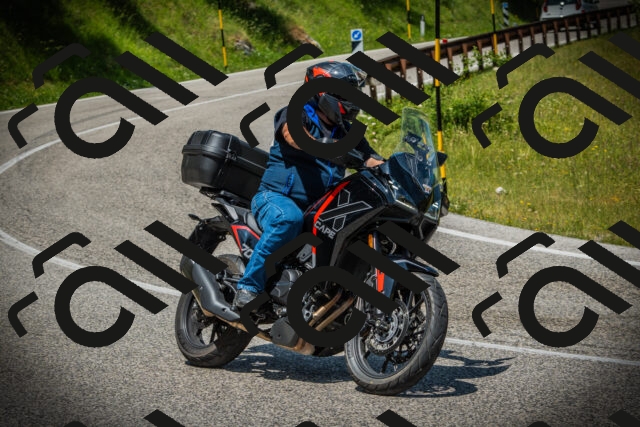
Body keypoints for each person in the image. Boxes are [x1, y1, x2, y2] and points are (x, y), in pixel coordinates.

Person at [232, 61, 385, 310]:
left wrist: (397, 169)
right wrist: (323, 145)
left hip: (319, 207)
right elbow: (293, 135)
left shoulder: (347, 132)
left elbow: (371, 159)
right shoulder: (297, 113)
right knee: (288, 219)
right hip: (276, 198)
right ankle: (249, 286)